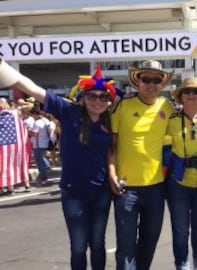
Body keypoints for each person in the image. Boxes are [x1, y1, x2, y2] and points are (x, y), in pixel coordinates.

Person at [0, 58, 115, 270]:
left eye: (103, 97)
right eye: (92, 95)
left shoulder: (111, 120)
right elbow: (32, 88)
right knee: (79, 246)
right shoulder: (68, 111)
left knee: (98, 244)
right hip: (73, 193)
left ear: (109, 100)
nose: (97, 101)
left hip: (101, 192)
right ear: (83, 97)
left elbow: (111, 151)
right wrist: (2, 66)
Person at [108, 60, 174, 270]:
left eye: (156, 80)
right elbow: (111, 145)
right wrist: (111, 174)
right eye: (146, 79)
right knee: (126, 245)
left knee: (149, 241)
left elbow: (182, 133)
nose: (151, 84)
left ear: (162, 84)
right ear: (138, 81)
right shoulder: (123, 106)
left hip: (156, 186)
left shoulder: (167, 107)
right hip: (126, 188)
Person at [166, 77, 197, 270]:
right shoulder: (170, 120)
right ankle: (182, 264)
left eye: (196, 92)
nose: (191, 95)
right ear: (181, 97)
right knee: (180, 230)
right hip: (179, 183)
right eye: (187, 92)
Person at [0, 97, 30, 194]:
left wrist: (22, 103)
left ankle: (19, 186)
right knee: (10, 165)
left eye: (2, 103)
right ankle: (16, 187)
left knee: (13, 164)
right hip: (11, 145)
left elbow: (29, 106)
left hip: (11, 145)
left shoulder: (15, 112)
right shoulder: (13, 114)